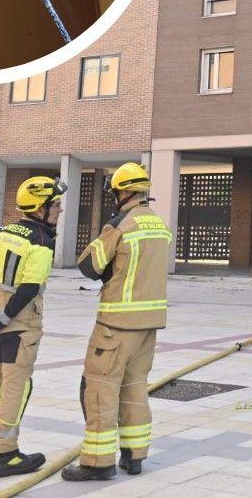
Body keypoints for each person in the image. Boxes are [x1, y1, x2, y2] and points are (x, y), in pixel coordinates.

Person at [62, 162, 172, 481]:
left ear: (122, 191)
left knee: (99, 390)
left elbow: (88, 266)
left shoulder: (122, 225)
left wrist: (109, 229)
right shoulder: (159, 224)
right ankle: (135, 457)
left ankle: (97, 463)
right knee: (136, 389)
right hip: (149, 325)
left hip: (116, 325)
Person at [0, 175, 66, 476]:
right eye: (55, 204)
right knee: (15, 387)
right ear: (40, 208)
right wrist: (2, 320)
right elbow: (30, 288)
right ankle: (5, 454)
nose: (59, 209)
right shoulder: (41, 241)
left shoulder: (1, 234)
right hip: (19, 326)